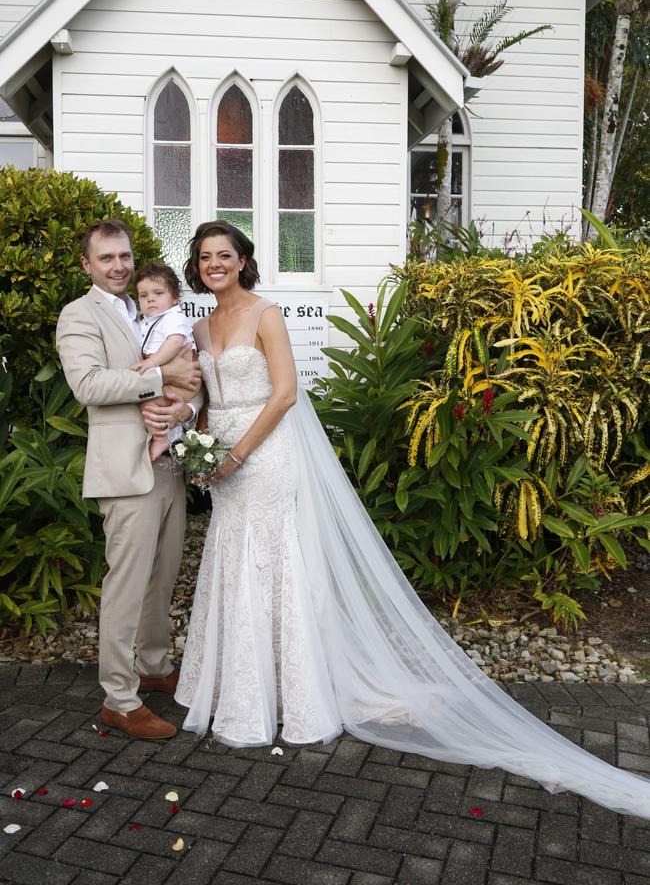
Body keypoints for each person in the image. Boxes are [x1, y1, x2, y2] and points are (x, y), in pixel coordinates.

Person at [173, 220, 650, 819]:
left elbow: (287, 393)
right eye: (205, 257)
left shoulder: (266, 315)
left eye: (225, 254)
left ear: (244, 260)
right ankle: (240, 689)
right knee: (233, 559)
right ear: (197, 266)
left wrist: (238, 452)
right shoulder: (197, 325)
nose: (215, 264)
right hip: (221, 468)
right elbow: (208, 401)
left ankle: (294, 697)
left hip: (265, 459)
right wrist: (199, 449)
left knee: (276, 563)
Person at [56, 220, 202, 740]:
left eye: (124, 256)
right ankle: (119, 697)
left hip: (168, 465)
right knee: (126, 583)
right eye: (106, 259)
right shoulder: (79, 315)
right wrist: (160, 378)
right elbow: (89, 384)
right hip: (124, 470)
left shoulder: (150, 309)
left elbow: (191, 374)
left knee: (163, 576)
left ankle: (154, 667)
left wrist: (184, 407)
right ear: (87, 264)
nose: (118, 266)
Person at [133, 261, 197, 461]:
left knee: (152, 405)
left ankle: (162, 438)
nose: (150, 299)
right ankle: (165, 435)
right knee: (148, 403)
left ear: (175, 297)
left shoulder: (173, 317)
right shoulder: (147, 321)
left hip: (181, 379)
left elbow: (175, 342)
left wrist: (153, 363)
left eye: (158, 293)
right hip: (168, 377)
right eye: (144, 296)